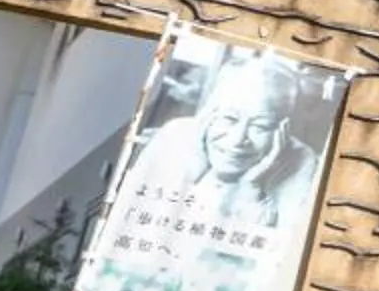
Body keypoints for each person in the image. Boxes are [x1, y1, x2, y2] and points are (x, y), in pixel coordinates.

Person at [120, 52, 324, 231]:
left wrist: (251, 191)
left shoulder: (301, 159)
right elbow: (128, 218)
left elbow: (277, 253)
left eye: (260, 126)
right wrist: (195, 170)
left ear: (282, 129)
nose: (237, 139)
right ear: (210, 112)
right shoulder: (175, 134)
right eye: (229, 119)